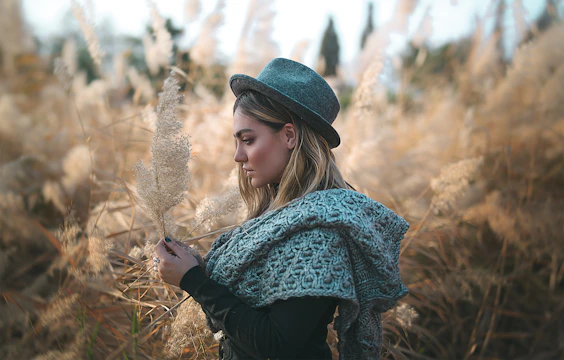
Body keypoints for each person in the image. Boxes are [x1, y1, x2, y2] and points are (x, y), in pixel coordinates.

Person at [153, 58, 410, 360]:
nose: (238, 156)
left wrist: (193, 281)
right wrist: (197, 268)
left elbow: (276, 345)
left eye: (247, 140)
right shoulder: (279, 216)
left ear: (289, 136)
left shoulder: (320, 230)